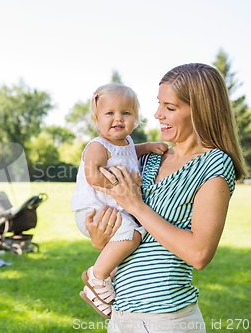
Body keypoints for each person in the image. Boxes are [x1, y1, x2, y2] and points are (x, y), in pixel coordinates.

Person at [85, 63, 246, 332]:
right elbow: (134, 235)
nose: (158, 114)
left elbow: (199, 254)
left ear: (200, 111)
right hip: (122, 316)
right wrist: (100, 237)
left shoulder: (214, 165)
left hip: (167, 319)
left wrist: (136, 204)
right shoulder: (149, 159)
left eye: (170, 108)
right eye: (159, 104)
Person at [71, 83, 168, 317]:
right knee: (133, 235)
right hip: (92, 211)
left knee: (140, 234)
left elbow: (132, 152)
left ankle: (100, 285)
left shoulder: (127, 144)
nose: (118, 118)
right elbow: (93, 176)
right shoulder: (98, 146)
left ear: (135, 118)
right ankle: (97, 276)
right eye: (110, 113)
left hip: (113, 211)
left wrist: (149, 147)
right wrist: (123, 187)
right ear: (97, 118)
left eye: (126, 113)